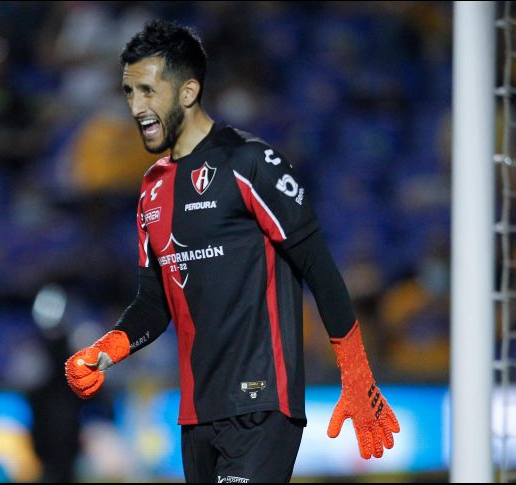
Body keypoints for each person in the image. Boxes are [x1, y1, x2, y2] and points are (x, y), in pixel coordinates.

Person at [65, 19, 400, 483]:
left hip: (262, 404)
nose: (136, 107)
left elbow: (318, 266)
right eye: (128, 92)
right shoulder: (150, 192)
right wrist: (106, 350)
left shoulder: (250, 163)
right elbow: (154, 302)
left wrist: (356, 370)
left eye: (147, 91)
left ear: (187, 92)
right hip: (196, 416)